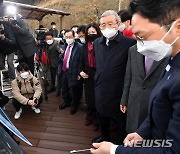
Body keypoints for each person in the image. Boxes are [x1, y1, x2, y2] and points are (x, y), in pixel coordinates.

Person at [91, 0, 180, 153]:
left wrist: (114, 151)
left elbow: (172, 149)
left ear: (177, 27)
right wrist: (143, 132)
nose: (140, 45)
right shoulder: (170, 59)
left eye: (142, 35)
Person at [92, 10, 136, 144]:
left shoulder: (129, 43)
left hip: (119, 89)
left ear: (118, 24)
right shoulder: (97, 43)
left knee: (120, 118)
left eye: (110, 24)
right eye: (103, 25)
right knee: (101, 113)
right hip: (100, 86)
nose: (106, 28)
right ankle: (104, 137)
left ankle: (118, 141)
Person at [120, 44, 167, 133]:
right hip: (134, 100)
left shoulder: (166, 51)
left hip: (156, 103)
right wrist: (124, 99)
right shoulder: (133, 50)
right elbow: (128, 77)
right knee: (132, 132)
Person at [79, 22, 102, 131]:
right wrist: (81, 71)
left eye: (93, 32)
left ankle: (97, 120)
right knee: (89, 98)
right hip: (88, 75)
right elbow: (82, 61)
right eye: (89, 33)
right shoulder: (84, 46)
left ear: (98, 32)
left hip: (99, 75)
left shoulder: (102, 45)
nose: (91, 34)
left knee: (98, 98)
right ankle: (89, 115)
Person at [59, 29, 83, 114]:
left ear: (74, 37)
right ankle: (66, 102)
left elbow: (81, 61)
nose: (68, 39)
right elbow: (64, 57)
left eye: (70, 37)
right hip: (64, 70)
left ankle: (74, 105)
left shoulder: (80, 47)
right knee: (64, 88)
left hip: (74, 71)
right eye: (67, 37)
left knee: (74, 90)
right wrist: (61, 55)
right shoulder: (65, 45)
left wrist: (79, 72)